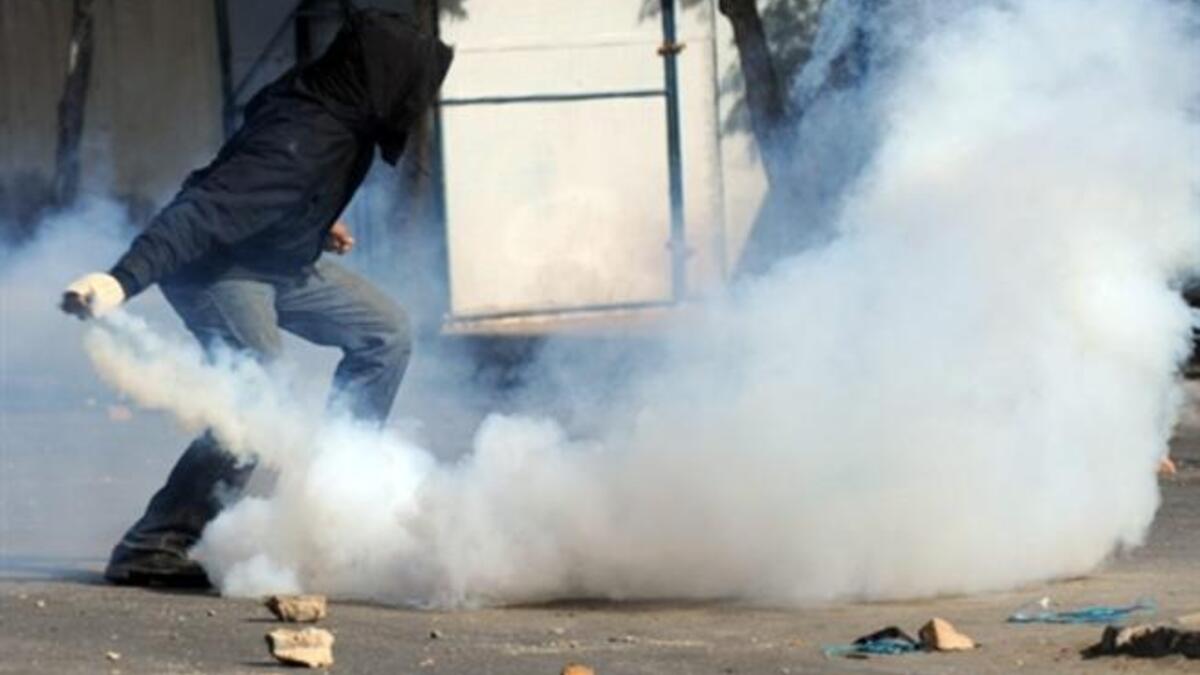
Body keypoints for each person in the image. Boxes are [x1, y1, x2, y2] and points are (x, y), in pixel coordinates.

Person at [59, 7, 453, 587]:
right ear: (385, 76)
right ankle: (153, 544)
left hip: (281, 262)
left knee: (385, 333)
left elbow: (261, 169)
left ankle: (334, 499)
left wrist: (312, 224)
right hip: (217, 270)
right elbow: (203, 211)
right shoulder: (304, 135)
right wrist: (121, 280)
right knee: (257, 392)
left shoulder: (336, 108)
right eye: (411, 83)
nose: (414, 99)